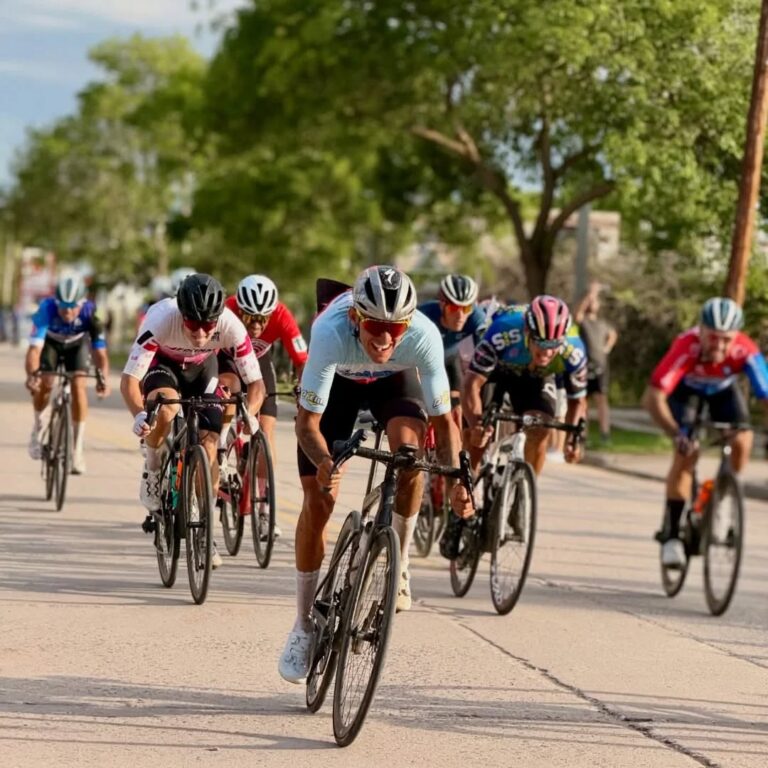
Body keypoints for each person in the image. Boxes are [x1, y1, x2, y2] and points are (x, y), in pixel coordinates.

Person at [278, 265, 473, 683]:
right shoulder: (330, 331)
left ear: (408, 324)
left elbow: (444, 425)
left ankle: (398, 560)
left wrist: (458, 480)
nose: (385, 338)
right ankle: (303, 625)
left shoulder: (422, 336)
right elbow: (307, 425)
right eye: (375, 326)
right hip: (339, 386)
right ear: (355, 317)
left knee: (410, 456)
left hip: (393, 383)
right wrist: (325, 463)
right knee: (318, 500)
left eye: (395, 328)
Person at [120, 273, 265, 568]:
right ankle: (152, 466)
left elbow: (256, 384)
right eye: (192, 324)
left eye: (208, 325)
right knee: (167, 409)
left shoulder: (231, 326)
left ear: (218, 318)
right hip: (164, 367)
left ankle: (205, 530)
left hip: (202, 370)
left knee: (210, 443)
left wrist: (249, 414)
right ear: (181, 314)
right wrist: (139, 414)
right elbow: (129, 381)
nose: (200, 333)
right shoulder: (161, 319)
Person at [642, 297, 768, 568]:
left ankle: (725, 495)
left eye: (726, 340)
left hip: (723, 392)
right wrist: (675, 433)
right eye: (713, 338)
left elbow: (766, 395)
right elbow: (653, 397)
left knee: (743, 439)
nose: (719, 346)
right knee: (687, 453)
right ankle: (672, 536)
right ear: (700, 330)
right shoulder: (686, 346)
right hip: (686, 393)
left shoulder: (745, 349)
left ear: (736, 336)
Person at [218, 274, 309, 537]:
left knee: (266, 434)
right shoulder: (227, 309)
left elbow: (302, 360)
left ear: (272, 313)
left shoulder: (282, 315)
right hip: (228, 361)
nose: (256, 325)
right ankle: (223, 445)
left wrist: (305, 391)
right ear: (239, 311)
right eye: (250, 318)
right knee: (228, 393)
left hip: (258, 364)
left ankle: (264, 507)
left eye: (262, 319)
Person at [25, 274, 110, 474]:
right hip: (51, 344)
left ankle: (77, 449)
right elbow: (34, 351)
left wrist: (103, 379)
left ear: (82, 303)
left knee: (79, 385)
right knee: (46, 381)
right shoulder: (46, 309)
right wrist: (32, 375)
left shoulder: (91, 312)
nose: (68, 312)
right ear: (56, 302)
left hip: (76, 345)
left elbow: (100, 353)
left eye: (73, 307)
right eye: (63, 307)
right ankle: (38, 428)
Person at [418, 274, 485, 424]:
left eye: (466, 308)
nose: (460, 315)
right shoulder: (424, 314)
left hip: (449, 360)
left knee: (456, 408)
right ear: (442, 305)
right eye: (454, 308)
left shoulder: (476, 318)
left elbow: (484, 355)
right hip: (421, 362)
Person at [575, 282, 618, 443]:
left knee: (602, 400)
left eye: (595, 301)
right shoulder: (583, 321)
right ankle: (583, 435)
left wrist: (607, 347)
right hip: (585, 366)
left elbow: (613, 334)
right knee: (583, 401)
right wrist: (590, 294)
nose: (593, 303)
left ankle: (605, 434)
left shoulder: (602, 323)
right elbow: (578, 313)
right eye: (591, 302)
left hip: (601, 366)